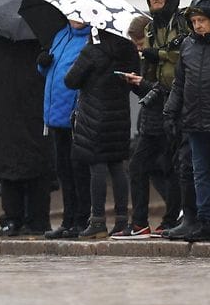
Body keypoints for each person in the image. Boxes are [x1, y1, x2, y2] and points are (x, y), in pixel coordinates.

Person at [164, 0, 210, 242]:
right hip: (194, 120)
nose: (197, 25)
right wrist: (171, 111)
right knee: (200, 173)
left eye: (201, 20)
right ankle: (205, 221)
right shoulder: (188, 45)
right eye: (194, 21)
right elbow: (180, 82)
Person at [0, 35, 54, 238]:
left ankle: (12, 219)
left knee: (8, 170)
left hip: (2, 118)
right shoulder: (42, 45)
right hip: (37, 117)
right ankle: (38, 220)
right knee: (38, 168)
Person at [135, 0, 196, 241]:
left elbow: (186, 54)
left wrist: (157, 55)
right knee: (140, 163)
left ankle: (172, 219)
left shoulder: (183, 22)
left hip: (181, 99)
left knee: (176, 164)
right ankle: (139, 223)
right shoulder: (150, 28)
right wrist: (141, 81)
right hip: (158, 97)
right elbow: (151, 67)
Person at [64, 30, 139, 239]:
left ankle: (97, 220)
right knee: (117, 166)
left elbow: (70, 80)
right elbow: (134, 80)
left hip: (94, 116)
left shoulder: (92, 50)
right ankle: (122, 220)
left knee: (96, 164)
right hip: (119, 115)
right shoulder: (129, 50)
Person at [117, 15, 179, 239]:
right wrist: (135, 83)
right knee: (144, 168)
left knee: (165, 169)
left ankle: (167, 218)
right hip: (151, 121)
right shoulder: (147, 58)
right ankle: (145, 222)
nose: (139, 48)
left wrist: (141, 83)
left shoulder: (164, 55)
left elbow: (166, 88)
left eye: (140, 43)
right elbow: (149, 91)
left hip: (164, 121)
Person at [39, 20, 92, 240]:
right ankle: (68, 219)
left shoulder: (91, 39)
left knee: (79, 170)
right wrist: (42, 64)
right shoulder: (61, 35)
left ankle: (82, 219)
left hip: (75, 115)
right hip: (55, 116)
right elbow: (49, 71)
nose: (74, 19)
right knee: (63, 170)